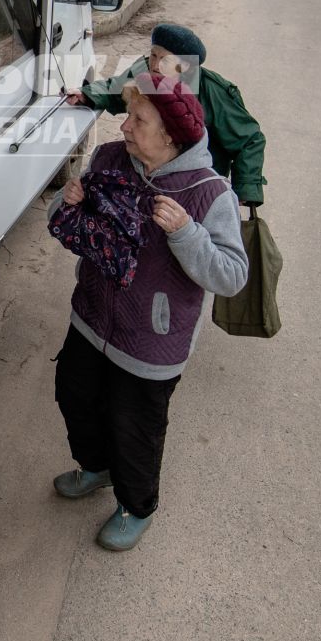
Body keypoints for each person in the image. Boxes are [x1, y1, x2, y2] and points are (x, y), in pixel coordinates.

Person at [49, 74, 247, 551]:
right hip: (92, 316)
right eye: (128, 114)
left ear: (170, 136)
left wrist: (187, 234)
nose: (124, 126)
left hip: (151, 340)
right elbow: (74, 220)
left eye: (138, 119)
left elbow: (232, 275)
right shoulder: (111, 159)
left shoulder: (209, 191)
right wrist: (66, 199)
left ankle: (136, 506)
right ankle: (95, 467)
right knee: (73, 393)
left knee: (132, 425)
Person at [68, 23, 266, 207]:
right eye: (154, 55)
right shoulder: (146, 72)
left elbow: (250, 140)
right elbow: (116, 89)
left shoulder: (213, 92)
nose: (155, 65)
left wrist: (243, 190)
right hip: (153, 175)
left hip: (197, 184)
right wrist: (86, 94)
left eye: (165, 60)